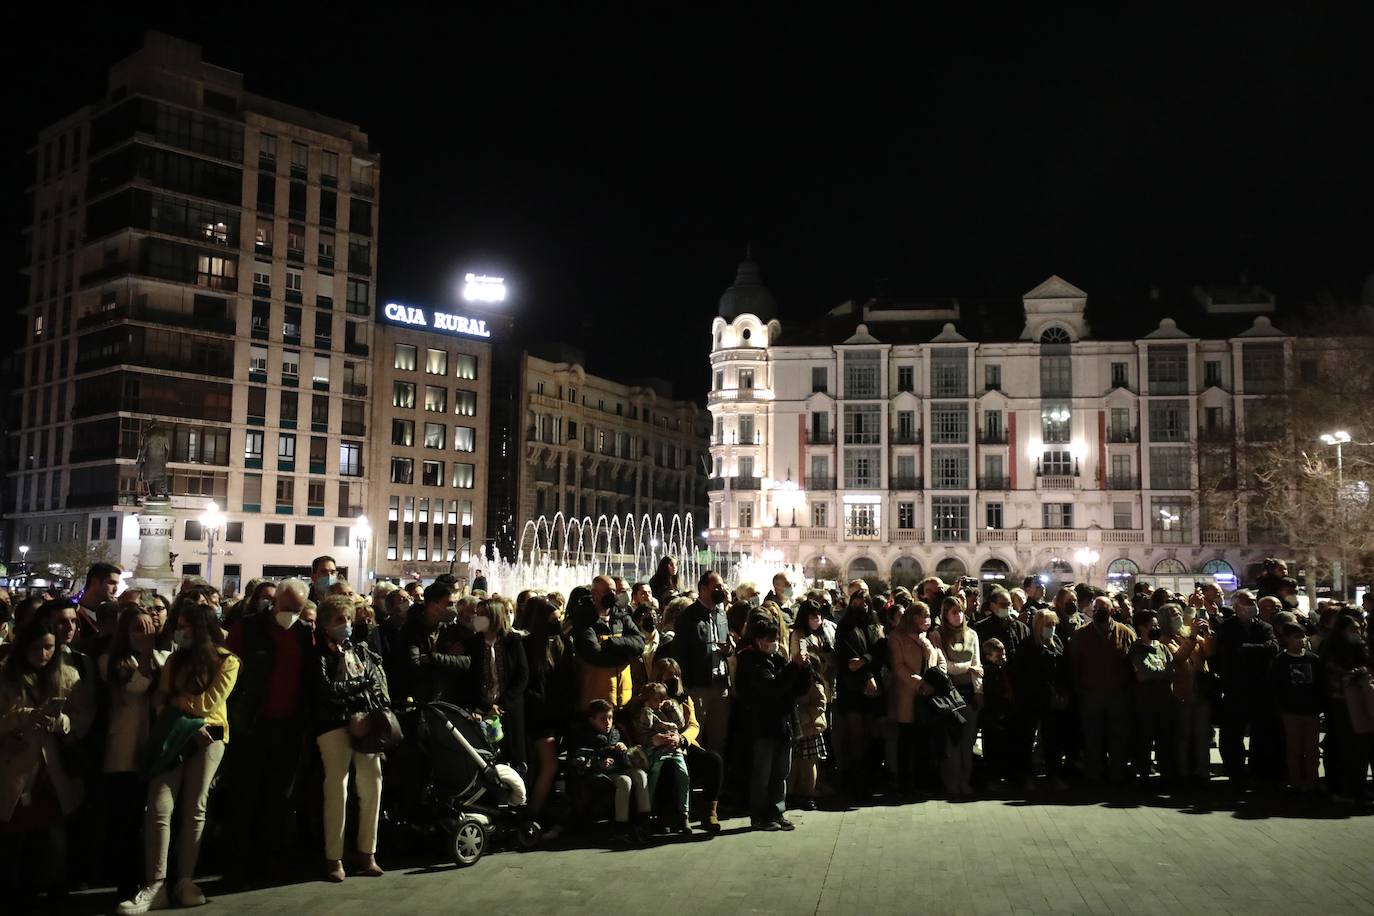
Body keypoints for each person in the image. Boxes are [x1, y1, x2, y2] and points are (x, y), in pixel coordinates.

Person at [118, 603, 239, 913]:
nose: (180, 631)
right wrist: (182, 708)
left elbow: (207, 703)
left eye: (186, 626)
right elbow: (160, 698)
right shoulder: (174, 659)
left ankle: (184, 880)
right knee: (159, 805)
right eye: (178, 625)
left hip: (210, 738)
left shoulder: (228, 661)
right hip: (174, 736)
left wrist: (178, 706)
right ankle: (155, 884)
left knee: (194, 808)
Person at [222, 577, 314, 886]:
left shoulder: (303, 633)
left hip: (288, 728)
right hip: (252, 725)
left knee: (276, 799)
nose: (293, 614)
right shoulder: (248, 628)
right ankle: (237, 862)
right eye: (289, 608)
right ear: (275, 603)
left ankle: (267, 861)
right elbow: (229, 674)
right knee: (244, 796)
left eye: (299, 610)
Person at [0, 618, 87, 905]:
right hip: (15, 766)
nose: (43, 655)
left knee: (50, 836)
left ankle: (49, 890)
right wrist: (22, 716)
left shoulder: (68, 676)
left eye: (49, 648)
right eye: (36, 648)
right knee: (16, 839)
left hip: (52, 770)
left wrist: (60, 721)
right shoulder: (5, 676)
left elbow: (80, 721)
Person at [308, 595, 389, 882]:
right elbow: (327, 691)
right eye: (338, 620)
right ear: (325, 624)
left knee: (372, 783)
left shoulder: (359, 650)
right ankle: (334, 857)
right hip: (333, 724)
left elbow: (373, 682)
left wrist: (365, 708)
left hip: (365, 722)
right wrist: (361, 686)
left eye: (348, 619)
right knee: (337, 787)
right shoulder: (318, 653)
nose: (345, 625)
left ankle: (368, 852)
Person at [99, 606, 171, 899]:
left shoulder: (161, 657)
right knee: (126, 820)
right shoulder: (111, 660)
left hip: (156, 750)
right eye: (137, 630)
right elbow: (134, 689)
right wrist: (145, 653)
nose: (145, 635)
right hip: (125, 753)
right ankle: (125, 882)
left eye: (149, 628)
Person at [733, 617, 812, 830]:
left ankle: (777, 811)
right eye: (771, 639)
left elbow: (796, 688)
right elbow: (771, 688)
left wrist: (804, 669)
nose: (775, 643)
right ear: (759, 640)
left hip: (783, 723)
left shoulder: (777, 659)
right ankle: (759, 815)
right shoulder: (749, 660)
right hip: (762, 725)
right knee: (762, 774)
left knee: (781, 772)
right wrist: (793, 668)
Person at [1215, 588, 1279, 788]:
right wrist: (1257, 650)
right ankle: (1235, 772)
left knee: (1260, 733)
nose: (1253, 606)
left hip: (1260, 688)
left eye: (1254, 602)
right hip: (1236, 688)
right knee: (1232, 734)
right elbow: (1231, 654)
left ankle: (1257, 771)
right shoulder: (1227, 628)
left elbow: (1273, 648)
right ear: (1237, 607)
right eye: (1248, 602)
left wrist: (1247, 649)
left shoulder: (1264, 626)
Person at [1070, 595, 1136, 785]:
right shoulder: (1081, 634)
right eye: (1096, 607)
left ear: (1112, 611)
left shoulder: (1125, 633)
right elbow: (1074, 665)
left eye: (1103, 608)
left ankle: (1117, 775)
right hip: (1091, 695)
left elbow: (1133, 664)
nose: (1099, 611)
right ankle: (1094, 775)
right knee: (1092, 738)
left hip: (1118, 695)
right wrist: (1079, 689)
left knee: (1118, 738)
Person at [522, 595, 576, 820]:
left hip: (558, 714)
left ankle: (542, 811)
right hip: (541, 717)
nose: (558, 622)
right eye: (554, 618)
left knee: (548, 767)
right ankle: (532, 814)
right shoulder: (529, 645)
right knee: (549, 766)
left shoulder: (562, 643)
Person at [567, 699, 650, 843]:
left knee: (640, 775)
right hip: (600, 773)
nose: (608, 722)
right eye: (603, 719)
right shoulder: (586, 736)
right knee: (625, 781)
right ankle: (620, 827)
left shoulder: (617, 732)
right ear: (592, 720)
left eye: (610, 718)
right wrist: (598, 762)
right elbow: (578, 759)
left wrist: (625, 750)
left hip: (620, 768)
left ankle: (643, 821)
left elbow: (631, 753)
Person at [887, 600, 946, 796]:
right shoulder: (897, 637)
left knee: (924, 741)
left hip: (928, 698)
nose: (926, 620)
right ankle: (904, 782)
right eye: (922, 616)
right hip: (908, 695)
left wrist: (936, 681)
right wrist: (921, 684)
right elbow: (898, 667)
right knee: (906, 740)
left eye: (928, 616)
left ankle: (924, 781)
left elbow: (940, 659)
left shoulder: (930, 637)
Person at [671, 570, 734, 756]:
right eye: (717, 587)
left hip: (721, 684)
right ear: (703, 589)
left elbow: (727, 645)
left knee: (719, 737)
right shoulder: (688, 617)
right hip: (698, 687)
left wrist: (728, 650)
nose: (721, 590)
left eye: (722, 586)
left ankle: (716, 778)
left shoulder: (721, 614)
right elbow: (680, 654)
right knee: (695, 736)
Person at [467, 596, 530, 773]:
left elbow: (522, 675)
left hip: (509, 708)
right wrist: (484, 706)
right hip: (482, 710)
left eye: (482, 615)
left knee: (513, 756)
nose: (477, 619)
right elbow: (470, 679)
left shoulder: (512, 641)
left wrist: (502, 704)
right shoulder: (473, 643)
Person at [835, 585, 886, 799]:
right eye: (856, 603)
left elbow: (880, 651)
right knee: (856, 735)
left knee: (872, 733)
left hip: (875, 686)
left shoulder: (875, 627)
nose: (860, 606)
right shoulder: (845, 627)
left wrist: (866, 661)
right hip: (852, 688)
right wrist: (866, 670)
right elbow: (848, 660)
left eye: (864, 603)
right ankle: (856, 779)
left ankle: (871, 776)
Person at [1013, 608, 1072, 791]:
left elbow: (1065, 669)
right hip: (1032, 699)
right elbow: (1020, 674)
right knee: (1026, 739)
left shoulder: (1057, 643)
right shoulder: (1027, 646)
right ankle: (1026, 776)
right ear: (1039, 625)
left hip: (1052, 701)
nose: (1052, 628)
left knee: (1053, 740)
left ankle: (1053, 775)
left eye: (1054, 625)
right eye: (1048, 625)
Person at [929, 595, 982, 796]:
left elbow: (978, 666)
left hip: (969, 693)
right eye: (953, 612)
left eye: (960, 611)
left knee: (968, 742)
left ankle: (964, 780)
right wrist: (969, 668)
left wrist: (979, 690)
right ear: (945, 614)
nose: (958, 615)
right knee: (952, 742)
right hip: (950, 695)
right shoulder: (938, 635)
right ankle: (951, 781)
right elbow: (944, 667)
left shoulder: (972, 635)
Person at [570, 577, 645, 709]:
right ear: (594, 594)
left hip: (623, 701)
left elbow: (639, 643)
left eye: (613, 590)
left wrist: (610, 642)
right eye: (607, 591)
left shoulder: (621, 617)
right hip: (596, 706)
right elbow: (595, 655)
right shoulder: (583, 620)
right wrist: (627, 655)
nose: (612, 594)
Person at [789, 601, 835, 809]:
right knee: (806, 750)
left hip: (825, 685)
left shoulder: (822, 633)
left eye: (819, 616)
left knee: (820, 741)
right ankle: (804, 788)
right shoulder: (800, 635)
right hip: (809, 687)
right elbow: (804, 658)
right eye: (813, 616)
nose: (817, 620)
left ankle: (816, 782)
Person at [398, 580, 473, 705]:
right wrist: (448, 658)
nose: (452, 608)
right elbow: (414, 667)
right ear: (433, 606)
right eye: (449, 604)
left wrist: (433, 657)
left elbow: (466, 662)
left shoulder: (451, 629)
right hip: (421, 702)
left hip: (447, 700)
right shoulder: (411, 630)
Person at [1269, 622, 1323, 793]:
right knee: (1294, 748)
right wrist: (1280, 706)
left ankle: (1312, 781)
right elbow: (1275, 686)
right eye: (1296, 637)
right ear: (1287, 639)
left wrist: (1319, 704)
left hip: (1311, 710)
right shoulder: (1281, 660)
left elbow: (1320, 683)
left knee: (1312, 748)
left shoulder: (1313, 659)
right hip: (1290, 710)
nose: (1301, 640)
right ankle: (1295, 781)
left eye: (1302, 636)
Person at [632, 682, 692, 833]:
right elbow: (644, 727)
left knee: (683, 775)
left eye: (661, 699)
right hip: (656, 750)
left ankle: (684, 814)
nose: (659, 703)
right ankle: (648, 812)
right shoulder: (645, 713)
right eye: (655, 699)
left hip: (674, 749)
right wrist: (647, 709)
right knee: (654, 775)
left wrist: (672, 709)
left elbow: (680, 724)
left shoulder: (668, 709)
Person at [1128, 609, 1177, 789]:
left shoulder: (1163, 647)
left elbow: (1173, 671)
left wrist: (1159, 674)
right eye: (1152, 625)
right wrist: (1163, 674)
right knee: (1144, 741)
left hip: (1165, 703)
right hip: (1145, 704)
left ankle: (1166, 775)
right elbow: (1142, 674)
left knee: (1165, 741)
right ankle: (1144, 776)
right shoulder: (1136, 648)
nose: (1156, 628)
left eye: (1157, 624)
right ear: (1141, 627)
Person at [973, 586, 1030, 666]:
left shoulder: (1021, 628)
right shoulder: (981, 628)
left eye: (1009, 604)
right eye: (1003, 605)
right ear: (992, 606)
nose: (1007, 608)